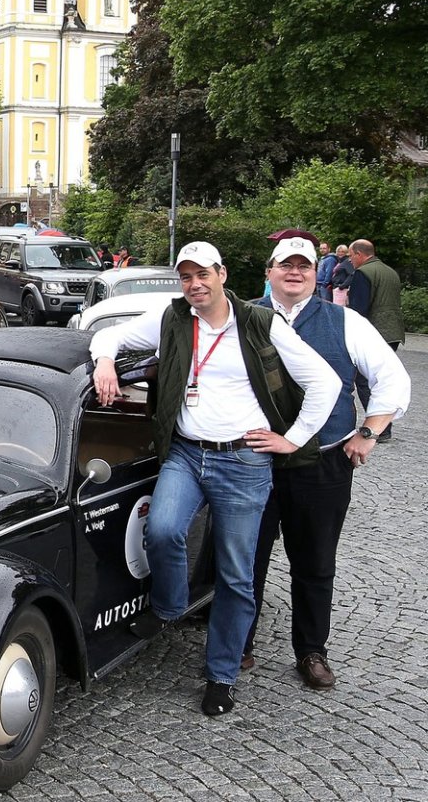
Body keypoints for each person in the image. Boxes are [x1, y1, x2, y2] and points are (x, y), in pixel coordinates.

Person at [89, 240, 338, 716]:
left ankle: (221, 675)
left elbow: (324, 380)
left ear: (222, 274)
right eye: (185, 276)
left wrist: (293, 438)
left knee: (236, 576)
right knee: (162, 530)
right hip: (185, 452)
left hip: (242, 463)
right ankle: (168, 607)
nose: (194, 284)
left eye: (202, 274)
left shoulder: (261, 322)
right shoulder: (173, 317)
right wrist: (104, 361)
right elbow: (111, 338)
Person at [242, 236, 410, 688]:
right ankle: (238, 644)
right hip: (254, 461)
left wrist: (369, 433)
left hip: (324, 462)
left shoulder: (343, 320)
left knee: (315, 562)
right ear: (269, 271)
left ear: (315, 272)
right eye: (285, 265)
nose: (294, 273)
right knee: (244, 559)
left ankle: (312, 650)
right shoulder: (242, 316)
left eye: (303, 266)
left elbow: (391, 378)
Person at [346, 239, 405, 437]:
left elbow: (358, 309)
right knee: (384, 376)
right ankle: (385, 425)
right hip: (394, 330)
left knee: (364, 380)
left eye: (351, 256)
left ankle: (380, 427)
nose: (350, 261)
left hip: (374, 331)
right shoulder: (390, 271)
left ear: (359, 254)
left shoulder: (364, 273)